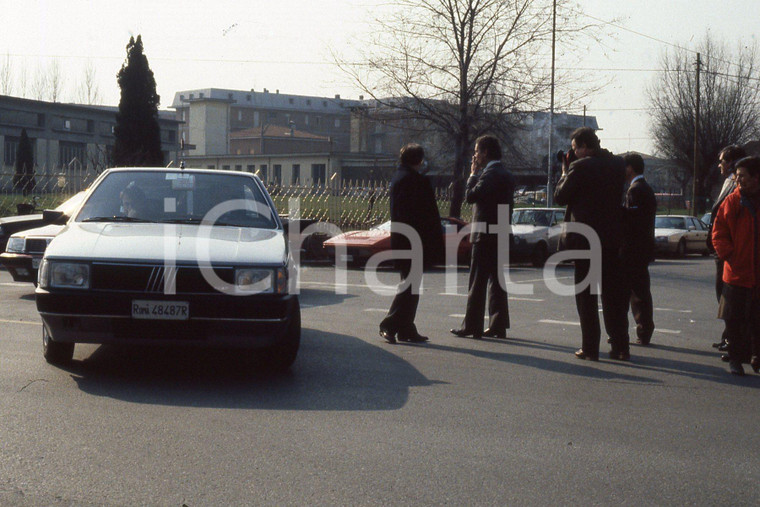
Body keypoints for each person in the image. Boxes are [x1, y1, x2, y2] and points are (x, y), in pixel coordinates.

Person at [553, 127, 628, 361]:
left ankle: (590, 347)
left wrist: (565, 171)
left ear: (585, 147)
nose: (573, 153)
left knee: (586, 295)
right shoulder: (617, 164)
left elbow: (560, 196)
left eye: (575, 148)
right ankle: (620, 346)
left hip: (585, 239)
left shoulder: (580, 167)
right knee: (612, 295)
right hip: (611, 238)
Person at [450, 135, 515, 340]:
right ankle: (498, 324)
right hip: (501, 232)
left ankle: (472, 325)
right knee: (497, 282)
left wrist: (472, 175)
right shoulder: (505, 173)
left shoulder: (489, 174)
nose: (475, 155)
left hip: (485, 234)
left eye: (477, 151)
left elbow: (471, 196)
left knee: (477, 282)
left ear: (486, 152)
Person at [379, 143, 444, 344]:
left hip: (401, 238)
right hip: (416, 240)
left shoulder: (398, 179)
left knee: (410, 283)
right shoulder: (417, 181)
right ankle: (389, 324)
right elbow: (429, 216)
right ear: (419, 160)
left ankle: (407, 328)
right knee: (410, 285)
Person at [711, 156, 760, 376]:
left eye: (742, 176)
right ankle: (735, 358)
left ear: (756, 177)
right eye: (737, 175)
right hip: (736, 272)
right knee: (734, 320)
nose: (738, 179)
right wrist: (729, 255)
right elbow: (718, 233)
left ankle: (756, 356)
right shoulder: (731, 201)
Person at [707, 145, 747, 351]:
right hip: (721, 249)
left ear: (731, 163)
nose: (719, 165)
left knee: (729, 296)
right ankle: (729, 336)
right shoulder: (728, 183)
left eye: (722, 161)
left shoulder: (739, 187)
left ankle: (734, 340)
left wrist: (727, 251)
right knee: (722, 295)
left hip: (730, 251)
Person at [622, 153, 657, 345]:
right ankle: (645, 328)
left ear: (630, 168)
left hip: (634, 249)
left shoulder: (635, 190)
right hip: (644, 248)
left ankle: (643, 330)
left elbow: (631, 222)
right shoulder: (646, 188)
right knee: (642, 290)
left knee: (638, 293)